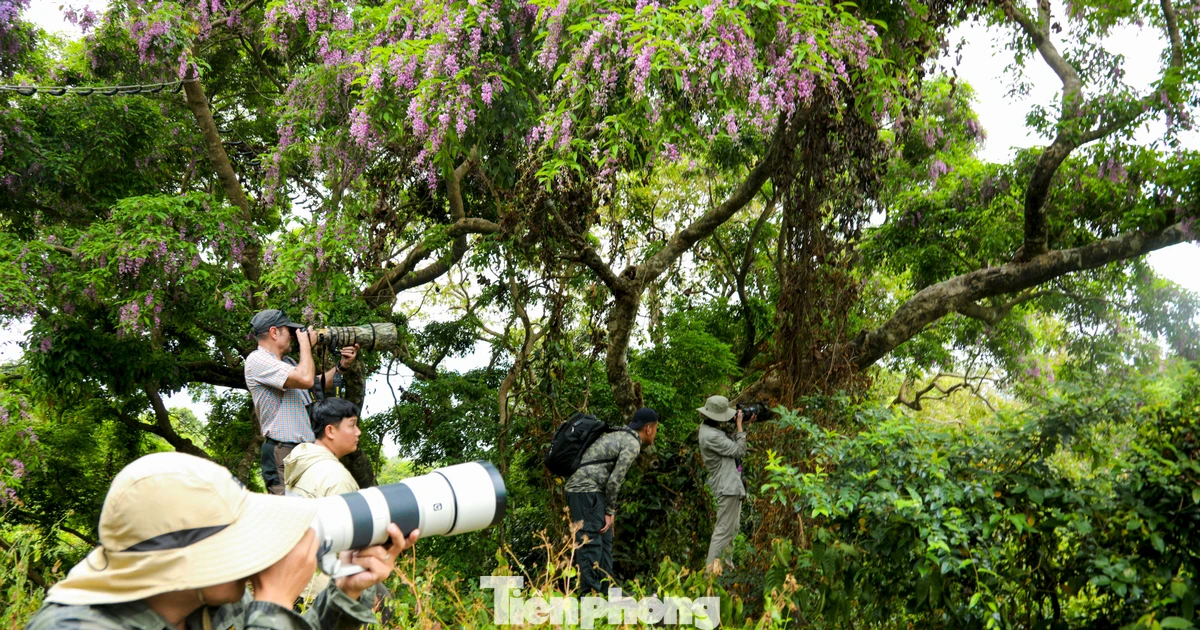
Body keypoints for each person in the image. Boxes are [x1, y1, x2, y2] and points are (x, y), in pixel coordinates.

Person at [25, 451, 420, 630]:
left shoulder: (208, 601)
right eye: (234, 539)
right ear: (181, 562)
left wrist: (344, 593)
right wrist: (274, 603)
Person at [244, 309, 358, 495]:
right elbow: (305, 378)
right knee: (290, 513)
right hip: (283, 452)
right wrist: (306, 345)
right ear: (274, 332)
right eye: (289, 330)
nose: (293, 336)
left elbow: (316, 383)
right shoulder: (257, 360)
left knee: (314, 506)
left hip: (304, 450)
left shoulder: (287, 362)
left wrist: (342, 365)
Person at [564, 407, 659, 594]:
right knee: (590, 544)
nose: (655, 432)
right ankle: (589, 600)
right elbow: (615, 480)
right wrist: (610, 511)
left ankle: (608, 594)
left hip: (593, 492)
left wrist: (609, 513)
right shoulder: (632, 443)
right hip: (585, 491)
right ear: (648, 428)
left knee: (605, 541)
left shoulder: (622, 434)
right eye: (656, 428)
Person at [697, 395, 750, 571]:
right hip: (728, 487)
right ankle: (709, 579)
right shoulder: (711, 436)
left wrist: (739, 427)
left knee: (732, 530)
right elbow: (739, 450)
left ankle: (725, 571)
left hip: (730, 485)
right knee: (722, 533)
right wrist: (740, 426)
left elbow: (729, 444)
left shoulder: (709, 430)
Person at [284, 397, 362, 499]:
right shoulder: (336, 478)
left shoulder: (301, 464)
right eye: (352, 425)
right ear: (330, 431)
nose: (358, 432)